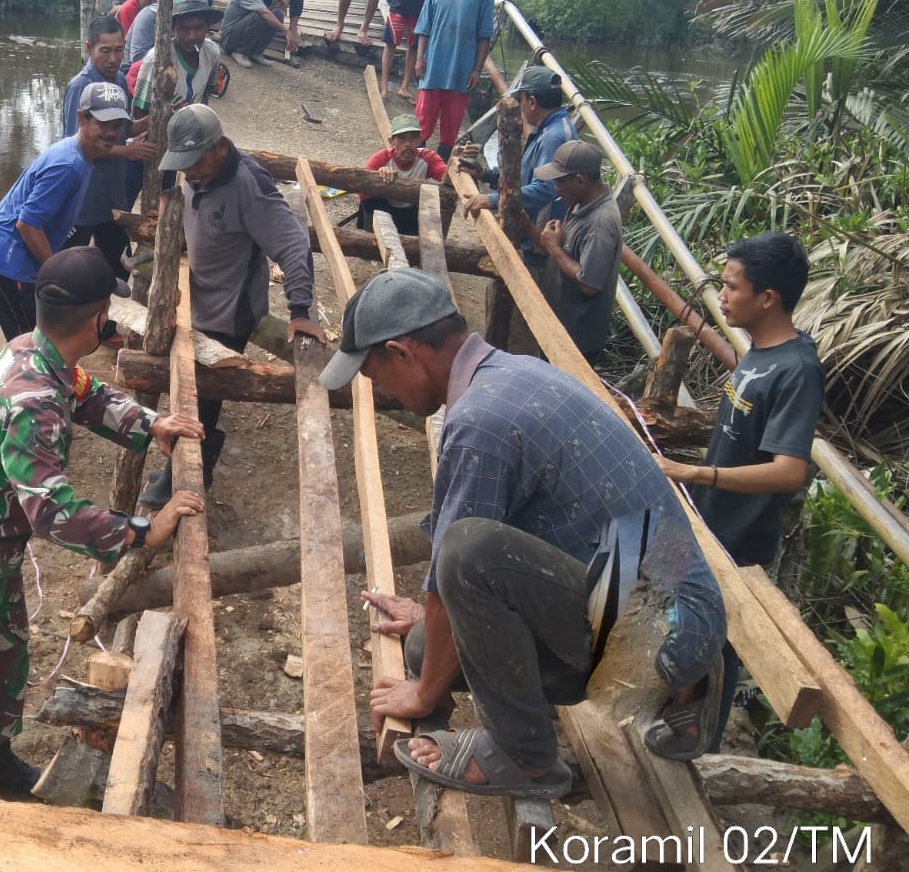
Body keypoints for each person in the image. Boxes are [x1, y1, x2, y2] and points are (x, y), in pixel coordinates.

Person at [321, 269, 727, 796]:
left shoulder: (479, 422)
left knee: (469, 553)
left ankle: (527, 758)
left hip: (658, 634)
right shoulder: (513, 372)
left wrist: (422, 696)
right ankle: (684, 687)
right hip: (658, 609)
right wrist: (430, 626)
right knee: (427, 648)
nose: (386, 394)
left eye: (377, 377)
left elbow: (460, 563)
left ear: (403, 353)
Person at [0, 247, 207, 860]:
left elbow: (88, 395)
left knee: (5, 657)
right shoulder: (32, 397)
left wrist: (148, 424)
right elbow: (49, 511)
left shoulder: (38, 352)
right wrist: (142, 530)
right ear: (99, 319)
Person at [658, 233, 822, 748]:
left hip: (741, 532)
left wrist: (699, 474)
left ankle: (697, 737)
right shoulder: (759, 352)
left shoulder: (797, 371)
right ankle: (672, 704)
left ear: (768, 297)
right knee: (674, 606)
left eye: (730, 287)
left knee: (722, 637)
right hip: (709, 516)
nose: (721, 296)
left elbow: (789, 471)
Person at [140, 105, 325, 503]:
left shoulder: (248, 185)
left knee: (204, 394)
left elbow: (293, 244)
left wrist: (300, 311)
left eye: (195, 162)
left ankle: (187, 478)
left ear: (219, 147)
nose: (189, 172)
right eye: (183, 163)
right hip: (197, 299)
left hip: (230, 312)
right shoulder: (196, 171)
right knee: (190, 388)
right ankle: (185, 469)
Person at [0, 83, 130, 339]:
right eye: (103, 123)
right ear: (82, 119)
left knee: (43, 337)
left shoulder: (81, 156)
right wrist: (58, 274)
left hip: (18, 255)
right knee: (29, 342)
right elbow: (28, 225)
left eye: (117, 125)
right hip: (6, 258)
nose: (111, 132)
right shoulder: (68, 166)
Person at [61, 17, 156, 280]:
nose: (113, 58)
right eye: (105, 51)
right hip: (82, 198)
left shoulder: (121, 81)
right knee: (70, 269)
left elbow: (123, 129)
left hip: (111, 196)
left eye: (119, 49)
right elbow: (77, 147)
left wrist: (150, 120)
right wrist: (127, 151)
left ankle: (107, 321)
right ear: (89, 48)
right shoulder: (81, 86)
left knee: (119, 266)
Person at [463, 65, 578, 254]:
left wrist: (493, 200)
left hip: (540, 238)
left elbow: (544, 189)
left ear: (531, 102)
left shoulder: (553, 137)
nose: (521, 107)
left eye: (521, 100)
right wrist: (487, 175)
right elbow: (527, 172)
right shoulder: (548, 130)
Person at [527, 140, 624, 362]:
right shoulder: (581, 203)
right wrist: (527, 227)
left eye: (560, 181)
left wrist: (553, 247)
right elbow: (563, 254)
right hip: (560, 327)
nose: (556, 188)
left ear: (579, 180)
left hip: (575, 339)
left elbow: (589, 283)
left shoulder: (600, 224)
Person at [412, 0, 494, 162]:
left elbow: (484, 36)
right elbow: (424, 28)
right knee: (423, 119)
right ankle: (415, 163)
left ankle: (438, 169)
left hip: (461, 71)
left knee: (451, 124)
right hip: (434, 65)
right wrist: (420, 59)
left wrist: (477, 69)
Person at [130, 0, 225, 112]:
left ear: (207, 26)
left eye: (198, 28)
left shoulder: (212, 52)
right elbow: (139, 111)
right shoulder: (156, 60)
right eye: (184, 29)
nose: (191, 36)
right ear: (173, 29)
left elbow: (205, 93)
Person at [357, 112, 446, 236]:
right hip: (385, 208)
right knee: (369, 201)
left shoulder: (429, 158)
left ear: (420, 140)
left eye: (413, 138)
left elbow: (447, 178)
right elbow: (363, 193)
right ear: (392, 141)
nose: (408, 144)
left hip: (411, 211)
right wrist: (378, 179)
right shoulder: (380, 159)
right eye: (402, 138)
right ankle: (370, 235)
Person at [220, 0, 291, 69]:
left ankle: (256, 52)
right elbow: (264, 13)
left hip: (238, 32)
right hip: (228, 40)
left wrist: (273, 6)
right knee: (261, 16)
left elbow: (263, 12)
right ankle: (240, 52)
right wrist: (287, 31)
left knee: (277, 13)